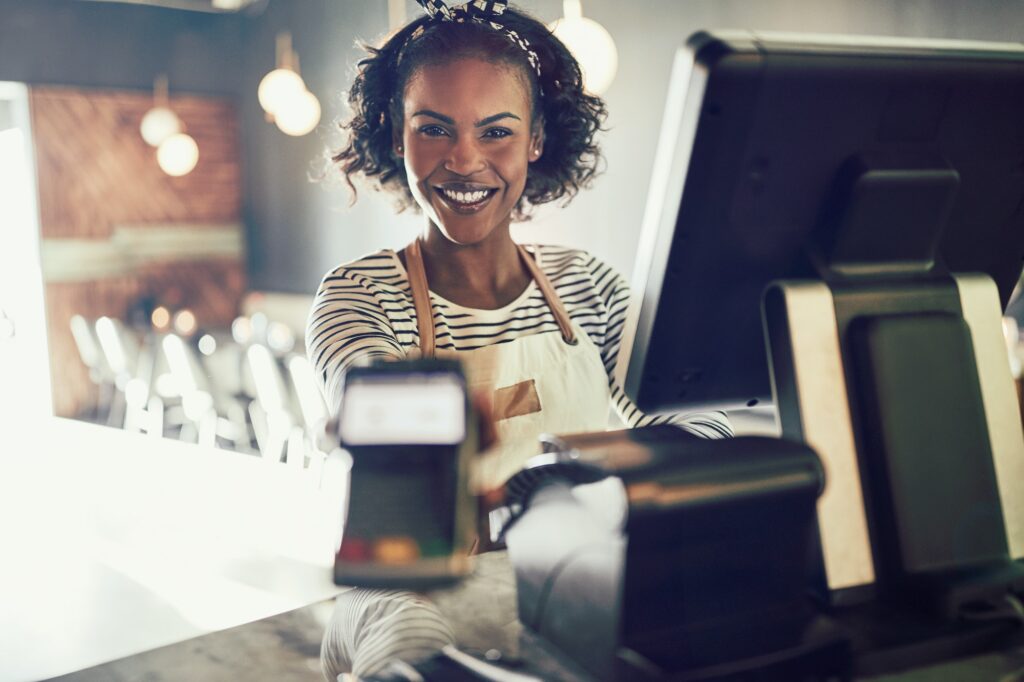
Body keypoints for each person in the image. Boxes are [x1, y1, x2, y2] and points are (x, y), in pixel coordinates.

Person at [307, 1, 733, 678]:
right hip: (415, 590)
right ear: (397, 137)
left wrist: (571, 480)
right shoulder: (358, 295)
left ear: (535, 140)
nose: (465, 161)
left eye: (496, 132)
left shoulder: (588, 286)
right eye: (435, 129)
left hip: (576, 579)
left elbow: (696, 423)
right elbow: (369, 390)